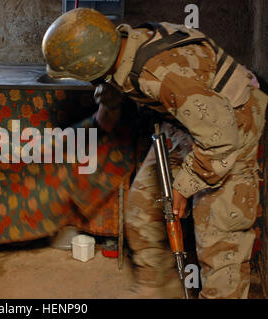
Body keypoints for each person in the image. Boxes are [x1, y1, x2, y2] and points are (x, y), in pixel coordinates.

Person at [42, 8, 267, 298]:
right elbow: (109, 103)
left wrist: (183, 189)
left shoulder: (159, 74)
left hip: (232, 126)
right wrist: (104, 108)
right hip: (184, 122)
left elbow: (221, 139)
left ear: (91, 64)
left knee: (220, 239)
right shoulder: (117, 48)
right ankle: (153, 288)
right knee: (140, 210)